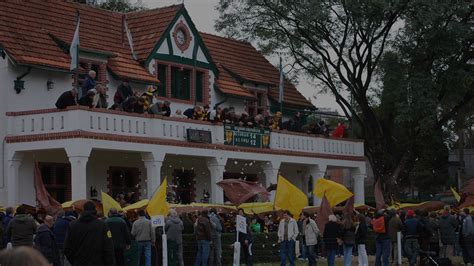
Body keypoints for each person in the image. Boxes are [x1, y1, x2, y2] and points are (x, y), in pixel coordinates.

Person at [64, 201, 115, 266]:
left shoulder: (73, 225)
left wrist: (75, 261)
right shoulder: (102, 225)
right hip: (98, 263)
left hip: (79, 262)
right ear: (95, 210)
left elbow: (67, 248)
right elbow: (108, 248)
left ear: (83, 210)